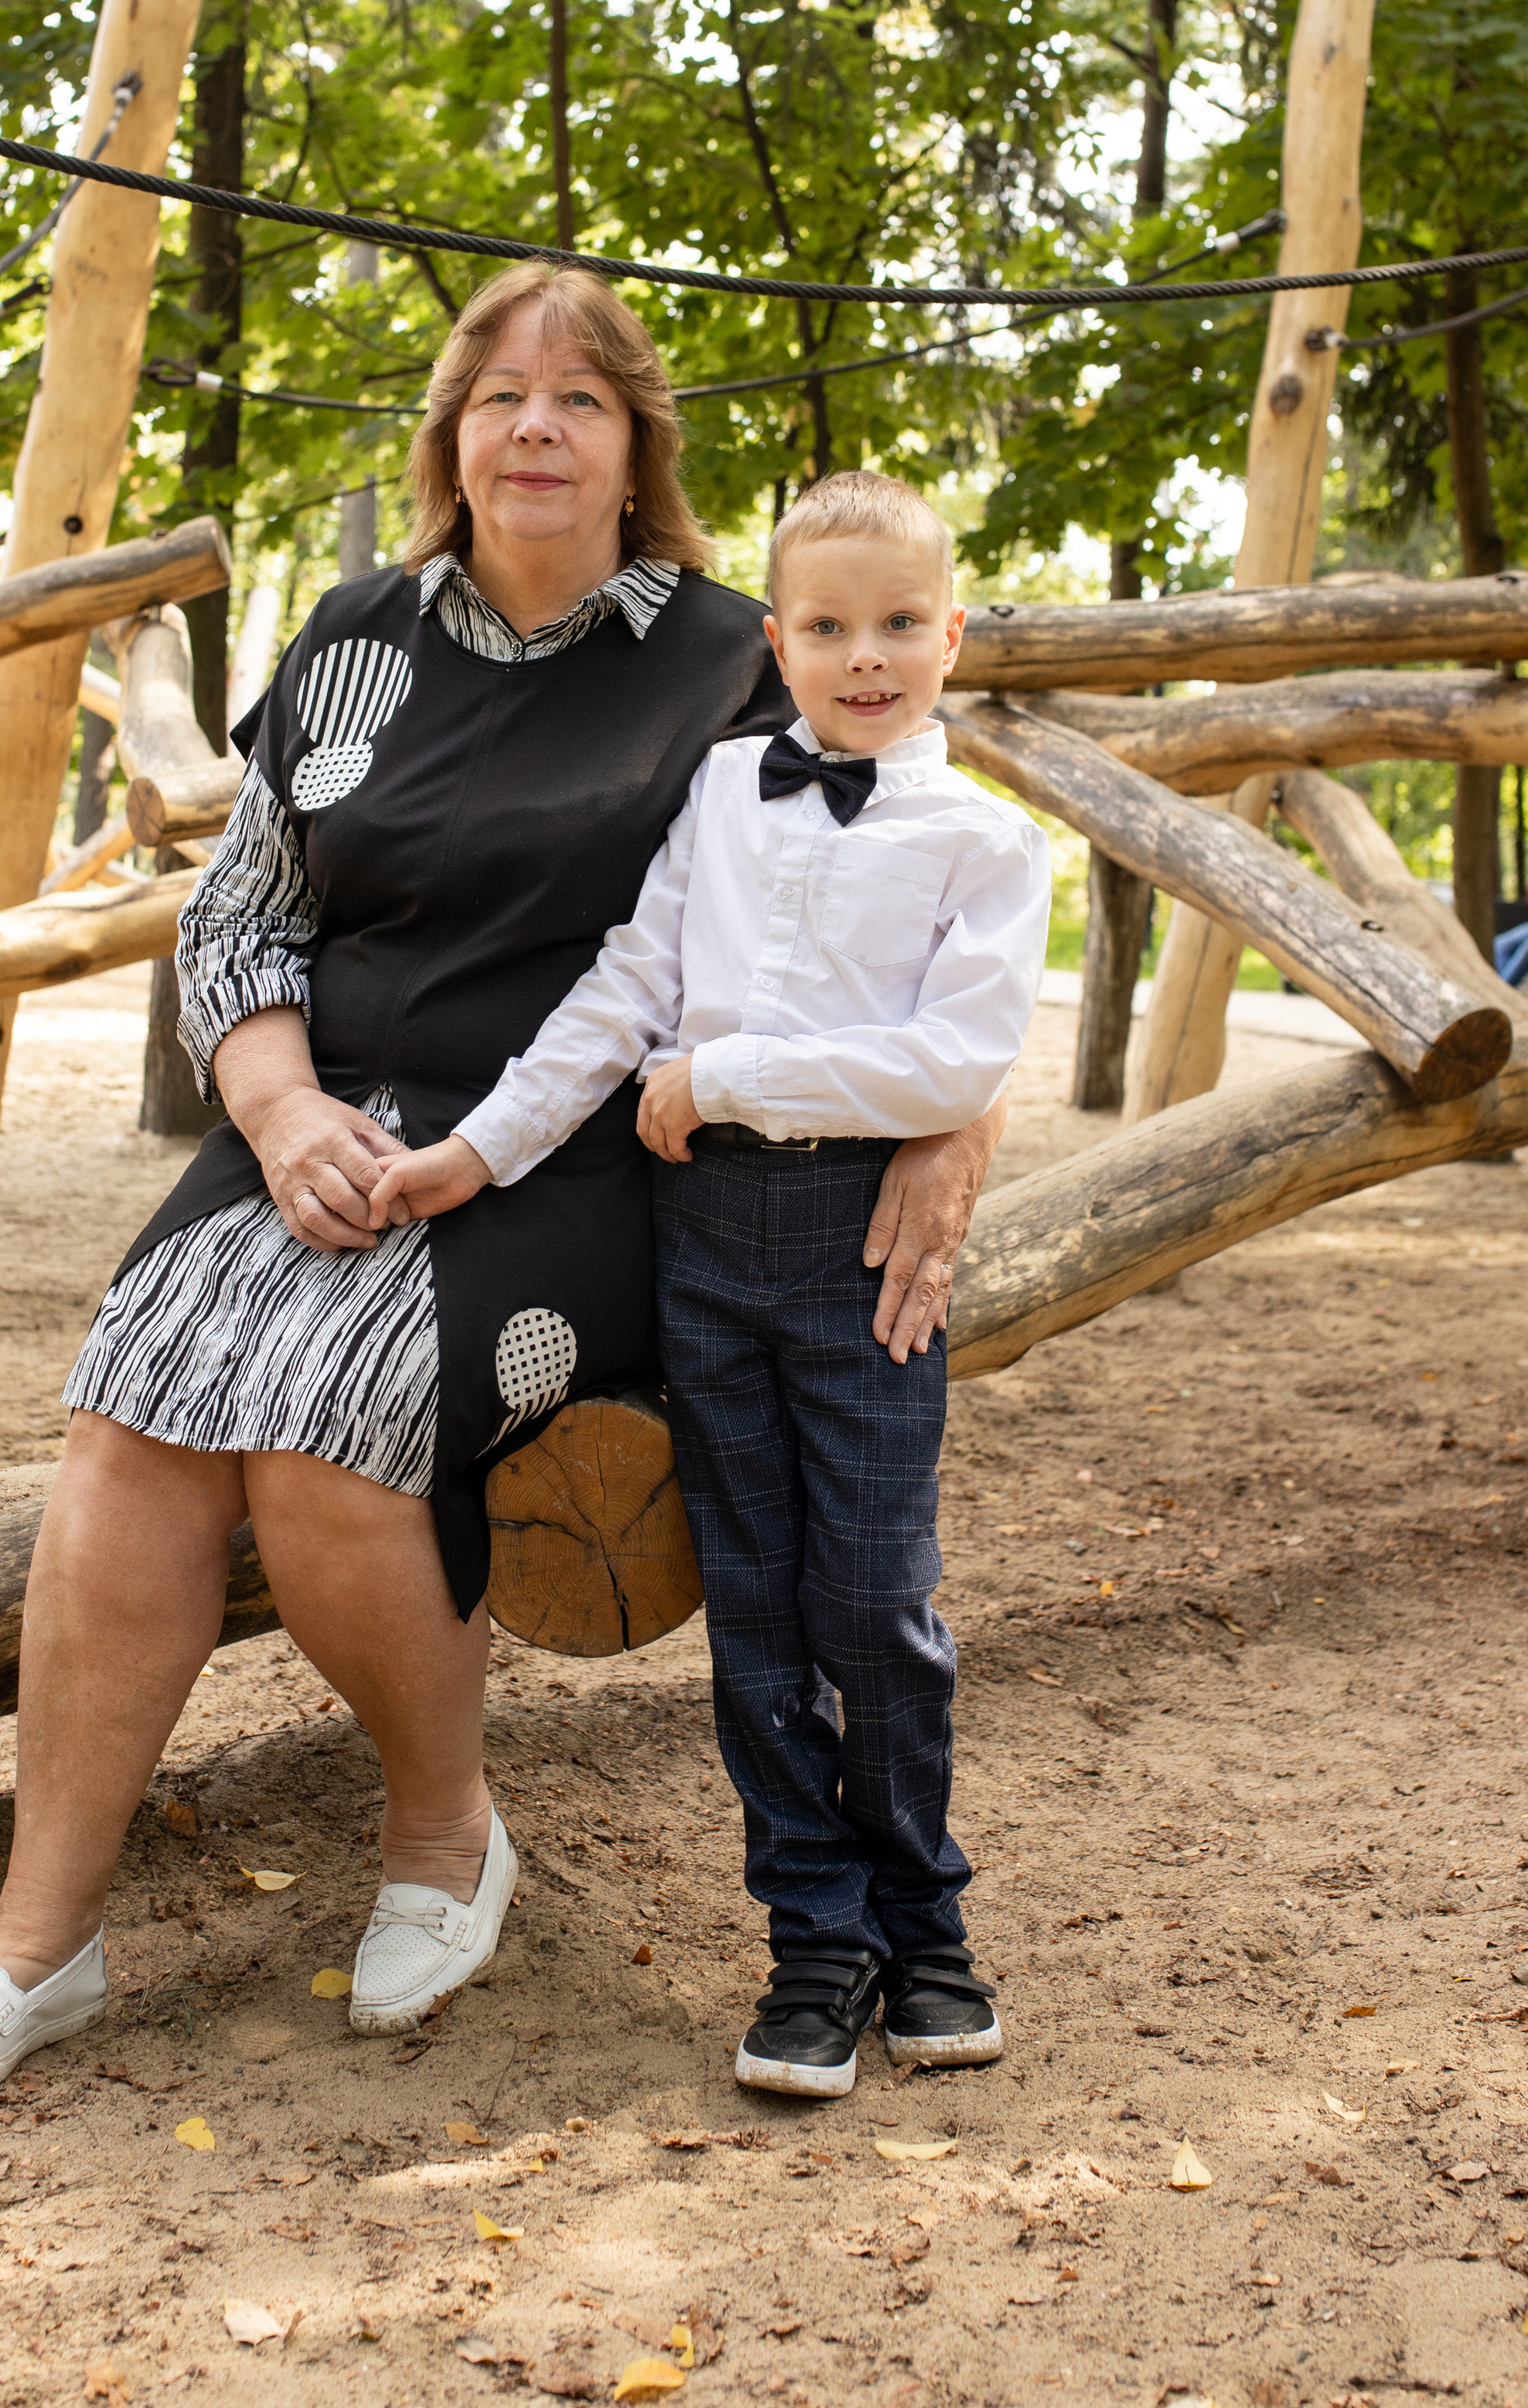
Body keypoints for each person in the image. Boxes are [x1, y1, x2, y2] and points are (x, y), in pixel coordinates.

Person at [0, 278, 1008, 2111]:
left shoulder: (738, 655)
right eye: (496, 395)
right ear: (450, 436)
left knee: (328, 1425)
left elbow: (922, 887)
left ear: (639, 447)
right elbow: (239, 909)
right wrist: (277, 1100)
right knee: (129, 1415)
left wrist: (961, 1122)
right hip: (316, 1116)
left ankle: (440, 1836)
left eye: (578, 398)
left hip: (592, 1152)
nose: (533, 425)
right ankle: (33, 1945)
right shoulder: (352, 638)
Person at [371, 468, 1049, 2099]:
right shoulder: (726, 790)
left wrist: (735, 1074)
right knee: (750, 1611)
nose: (863, 655)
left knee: (872, 1608)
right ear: (777, 638)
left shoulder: (985, 839)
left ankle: (924, 1926)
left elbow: (951, 1058)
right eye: (824, 625)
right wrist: (480, 1149)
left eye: (898, 624)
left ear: (950, 634)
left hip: (861, 1257)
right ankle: (811, 1944)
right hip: (706, 1252)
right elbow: (626, 990)